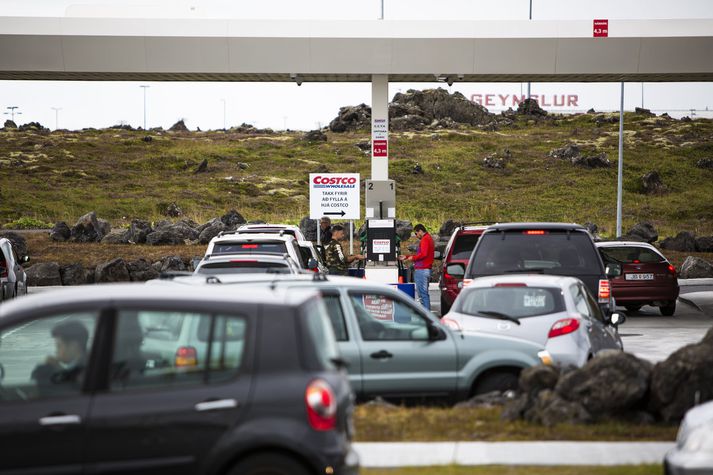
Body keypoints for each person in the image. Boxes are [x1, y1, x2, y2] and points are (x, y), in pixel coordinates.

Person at [31, 320, 89, 392]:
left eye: (59, 346)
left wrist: (57, 370)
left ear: (73, 346)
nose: (56, 351)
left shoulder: (85, 368)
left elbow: (73, 391)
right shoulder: (84, 362)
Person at [399, 224, 435, 310]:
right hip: (424, 269)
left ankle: (426, 316)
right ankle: (426, 314)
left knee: (423, 294)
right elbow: (421, 254)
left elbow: (423, 254)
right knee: (423, 294)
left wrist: (412, 258)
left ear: (420, 231)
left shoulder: (425, 239)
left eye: (416, 233)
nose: (416, 236)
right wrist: (407, 257)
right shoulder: (428, 238)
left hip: (422, 270)